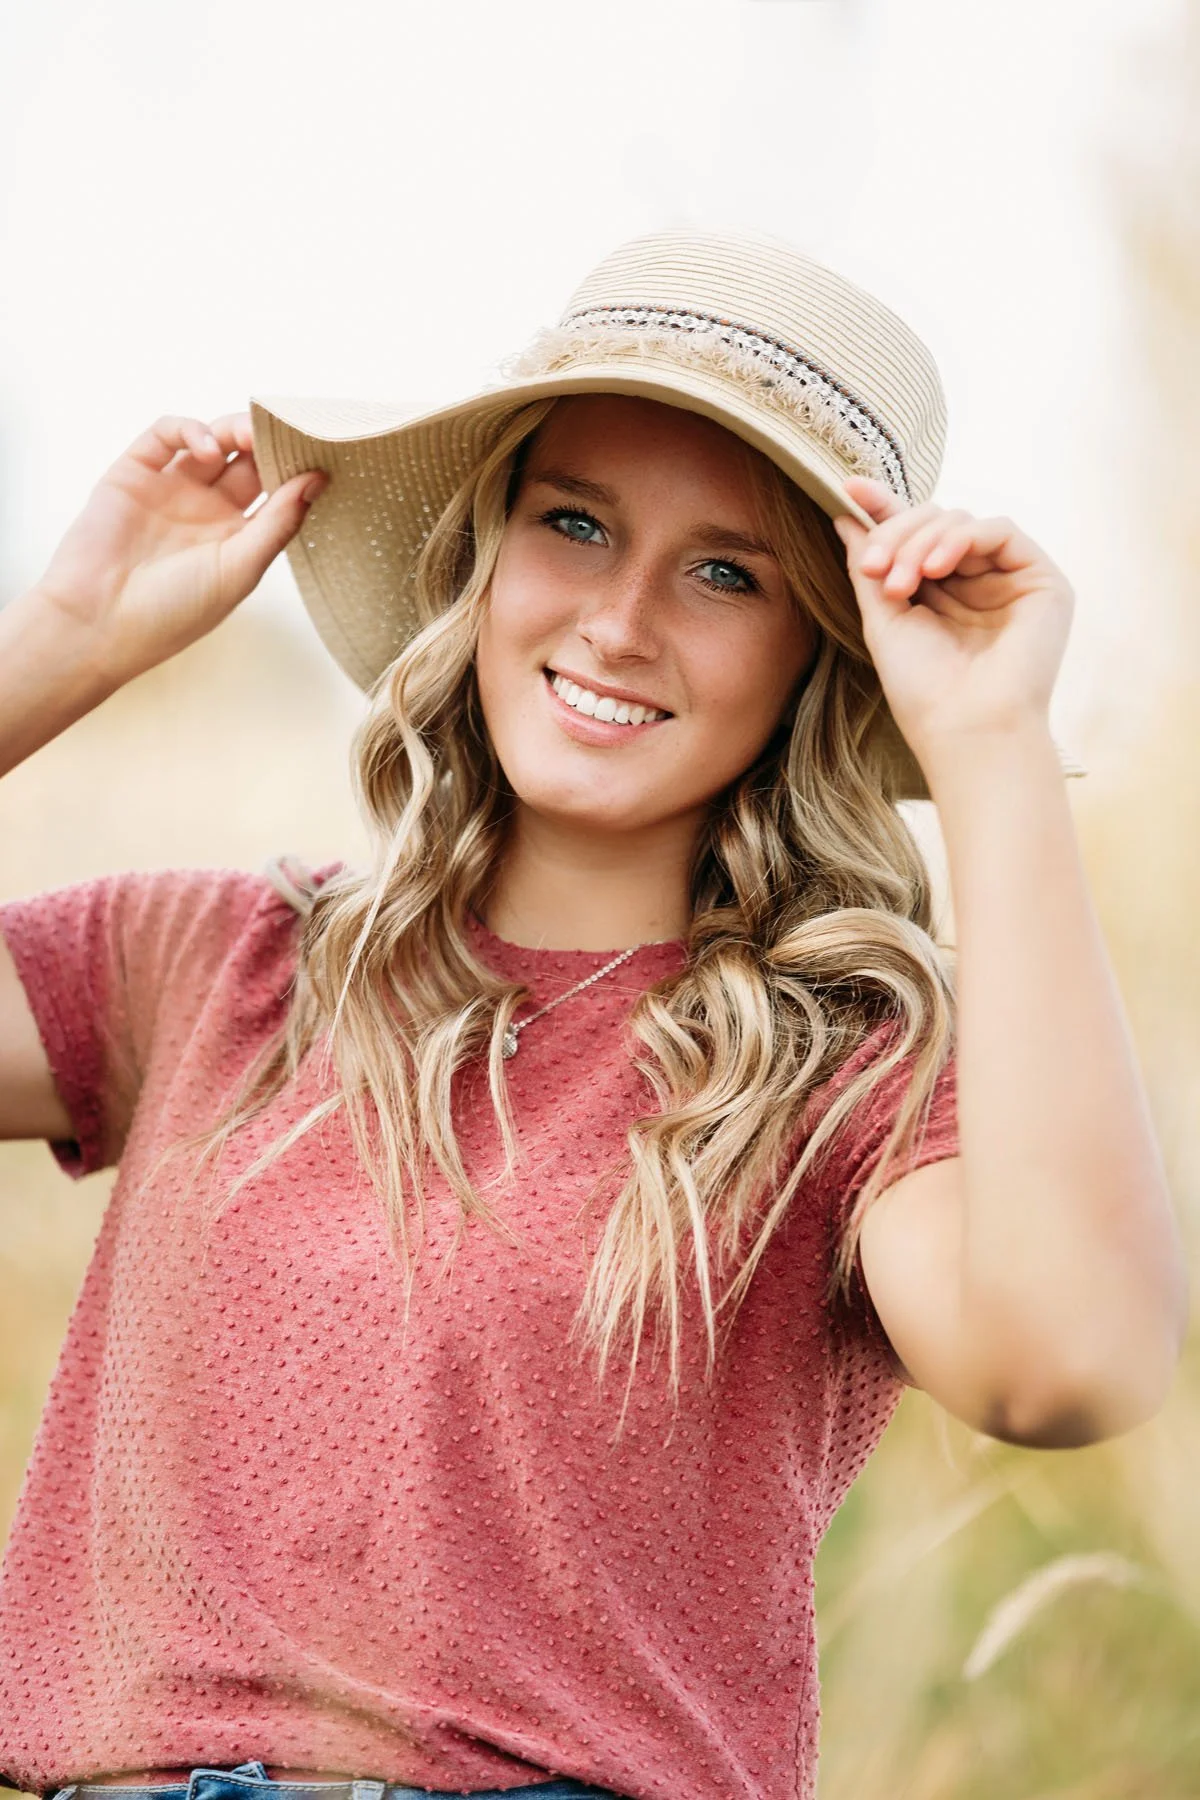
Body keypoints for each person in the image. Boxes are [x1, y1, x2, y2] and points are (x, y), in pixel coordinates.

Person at [0, 229, 1186, 1800]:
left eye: (724, 572)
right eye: (576, 523)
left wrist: (988, 750)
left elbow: (1075, 1366)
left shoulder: (836, 1072)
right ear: (486, 558)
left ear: (817, 648)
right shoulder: (217, 963)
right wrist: (59, 650)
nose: (622, 623)